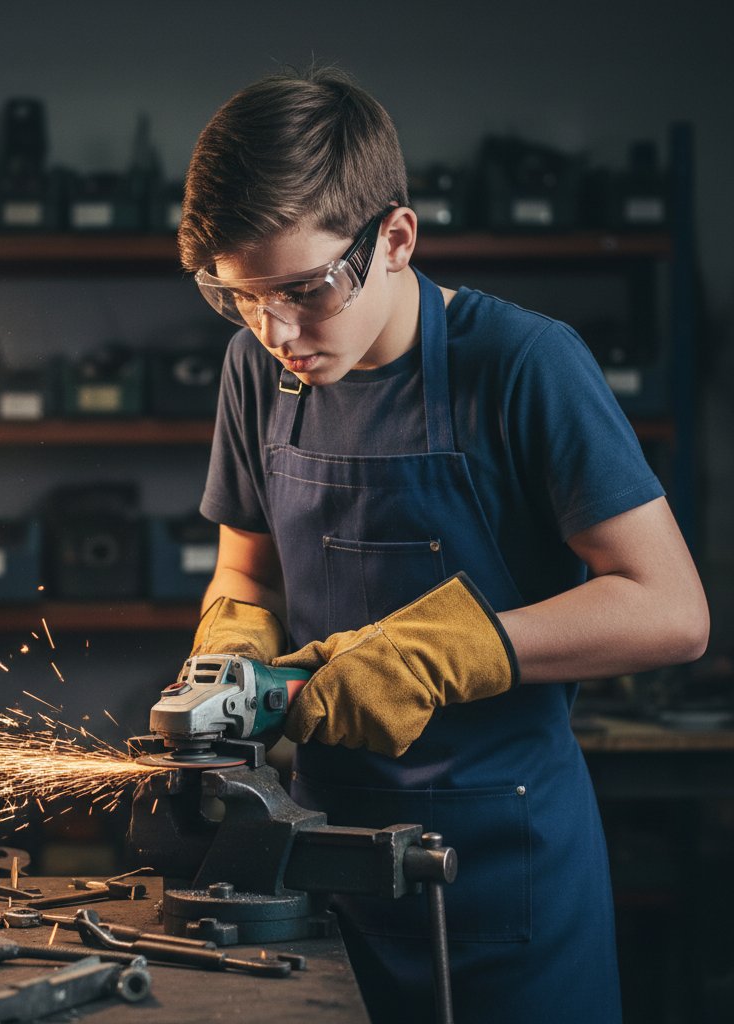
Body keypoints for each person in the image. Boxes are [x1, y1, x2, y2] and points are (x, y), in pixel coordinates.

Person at [177, 66, 709, 1023]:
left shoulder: (524, 365)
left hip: (502, 867)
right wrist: (233, 646)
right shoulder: (255, 369)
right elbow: (247, 566)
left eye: (304, 290)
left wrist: (434, 653)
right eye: (240, 297)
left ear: (394, 238)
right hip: (322, 851)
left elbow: (671, 610)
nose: (276, 329)